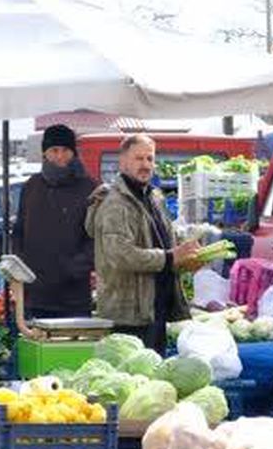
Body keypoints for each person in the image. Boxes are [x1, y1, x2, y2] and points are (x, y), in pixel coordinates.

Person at [85, 134, 202, 353]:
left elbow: (165, 244)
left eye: (150, 158)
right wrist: (170, 257)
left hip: (154, 309)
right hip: (128, 315)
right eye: (139, 158)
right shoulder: (115, 203)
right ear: (122, 162)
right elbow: (120, 255)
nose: (146, 165)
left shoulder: (154, 197)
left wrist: (186, 261)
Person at [12, 124, 98, 319]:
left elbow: (98, 237)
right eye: (54, 150)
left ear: (74, 153)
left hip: (74, 296)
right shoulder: (31, 186)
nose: (60, 156)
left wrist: (75, 267)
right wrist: (19, 264)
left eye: (66, 150)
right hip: (34, 295)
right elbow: (19, 231)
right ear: (45, 153)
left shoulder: (90, 188)